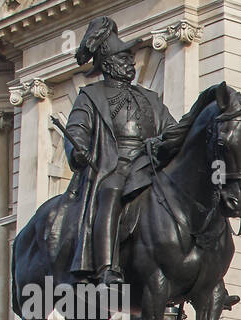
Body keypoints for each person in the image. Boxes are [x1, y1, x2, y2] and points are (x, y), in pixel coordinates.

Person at [63, 16, 180, 288]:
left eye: (130, 56)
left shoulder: (149, 98)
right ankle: (106, 266)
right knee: (111, 191)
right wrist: (77, 150)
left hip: (148, 163)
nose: (130, 61)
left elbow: (171, 129)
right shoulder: (91, 96)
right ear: (108, 63)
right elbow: (77, 129)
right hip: (113, 165)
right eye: (123, 57)